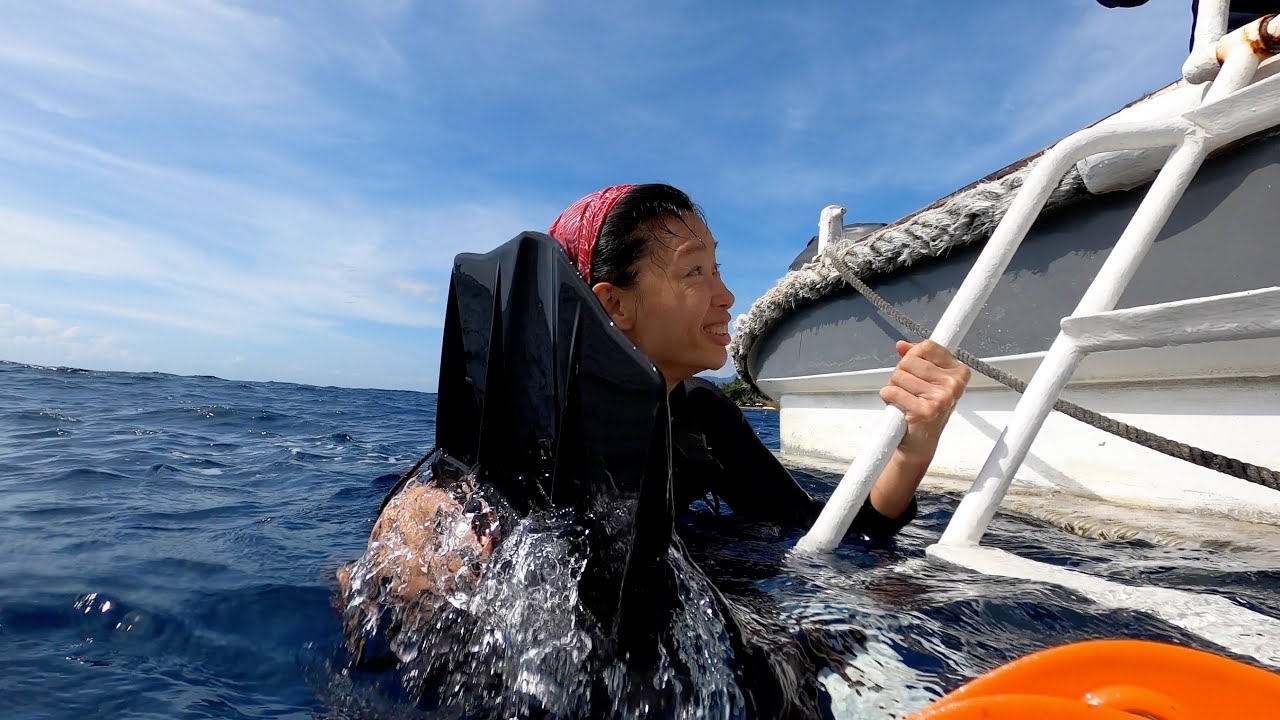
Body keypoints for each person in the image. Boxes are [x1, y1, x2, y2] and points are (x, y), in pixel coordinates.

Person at [547, 183, 971, 541]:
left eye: (717, 269)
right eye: (695, 271)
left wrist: (914, 448)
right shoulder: (536, 428)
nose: (727, 297)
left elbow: (828, 530)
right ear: (616, 304)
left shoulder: (702, 415)